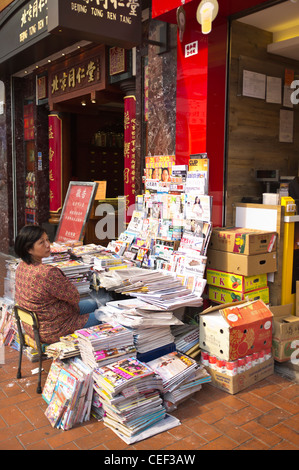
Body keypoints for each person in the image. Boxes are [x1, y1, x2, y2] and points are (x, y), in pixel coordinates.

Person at [14, 225, 100, 344]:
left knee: (94, 304)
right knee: (104, 315)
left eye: (47, 240)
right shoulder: (47, 273)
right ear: (29, 249)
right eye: (41, 242)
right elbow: (74, 297)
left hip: (34, 327)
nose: (48, 245)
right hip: (55, 329)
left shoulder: (21, 266)